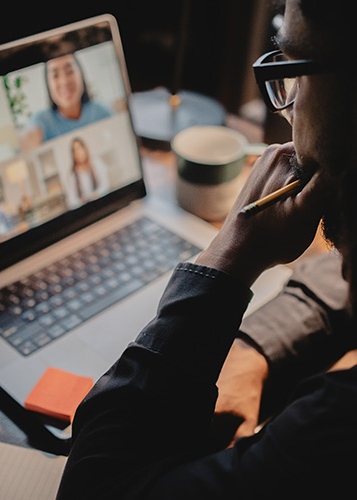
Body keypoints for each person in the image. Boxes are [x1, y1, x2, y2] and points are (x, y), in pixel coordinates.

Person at [56, 1, 357, 497]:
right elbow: (333, 286)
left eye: (296, 71)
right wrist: (255, 347)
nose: (291, 107)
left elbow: (95, 486)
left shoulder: (328, 436)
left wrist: (224, 261)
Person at [20, 54, 111, 150]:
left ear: (81, 74)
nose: (64, 82)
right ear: (48, 84)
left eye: (70, 71)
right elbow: (27, 138)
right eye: (55, 75)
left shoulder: (101, 112)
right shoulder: (42, 122)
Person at [69, 137, 109, 206]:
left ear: (84, 149)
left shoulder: (96, 162)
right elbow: (71, 200)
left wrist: (96, 194)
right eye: (74, 151)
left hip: (102, 203)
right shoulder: (72, 175)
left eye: (79, 148)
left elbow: (106, 184)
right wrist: (80, 202)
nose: (78, 153)